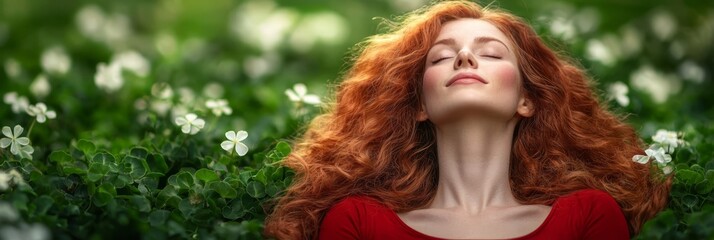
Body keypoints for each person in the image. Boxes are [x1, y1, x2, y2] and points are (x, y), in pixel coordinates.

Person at [264, 1, 671, 239]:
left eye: (491, 53)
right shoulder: (358, 223)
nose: (464, 57)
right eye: (442, 57)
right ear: (420, 103)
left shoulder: (586, 217)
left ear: (526, 99)